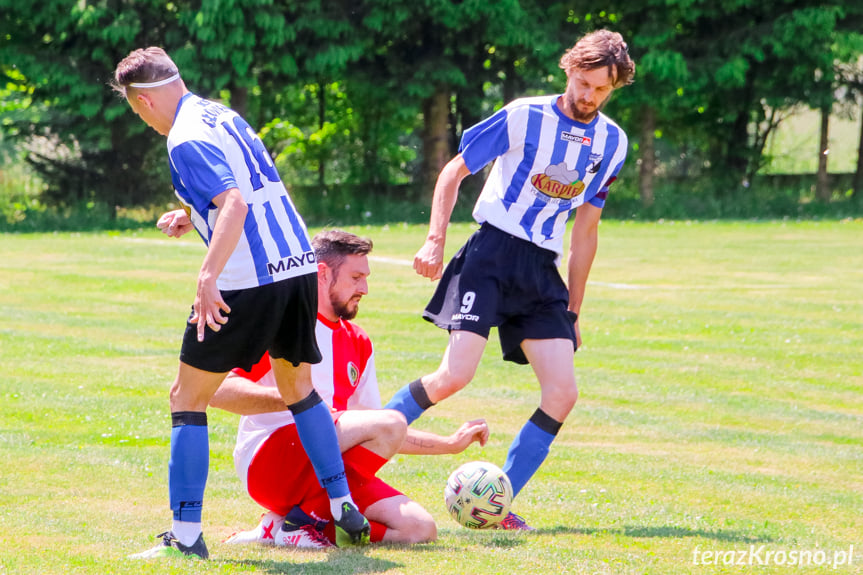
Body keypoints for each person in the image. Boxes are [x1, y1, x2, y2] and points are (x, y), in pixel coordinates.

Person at [112, 47, 370, 560]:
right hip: (297, 267)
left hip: (246, 280)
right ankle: (342, 503)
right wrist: (194, 215)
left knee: (186, 399)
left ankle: (185, 540)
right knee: (299, 391)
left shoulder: (182, 138)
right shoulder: (218, 113)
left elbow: (233, 202)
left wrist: (208, 275)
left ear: (142, 101)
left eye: (135, 109)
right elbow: (247, 187)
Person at [384, 30, 636, 529]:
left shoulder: (613, 142)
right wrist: (434, 239)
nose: (588, 96)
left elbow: (586, 228)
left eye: (601, 90)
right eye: (583, 83)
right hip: (492, 252)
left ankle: (495, 505)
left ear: (614, 88)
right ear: (568, 69)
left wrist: (574, 310)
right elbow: (453, 172)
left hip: (541, 270)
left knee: (562, 394)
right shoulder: (525, 115)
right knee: (455, 376)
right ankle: (356, 444)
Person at [208, 229, 490, 547]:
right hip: (269, 462)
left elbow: (377, 430)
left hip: (327, 470)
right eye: (356, 277)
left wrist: (449, 444)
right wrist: (296, 400)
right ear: (322, 273)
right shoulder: (282, 323)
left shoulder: (358, 342)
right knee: (389, 422)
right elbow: (218, 391)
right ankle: (303, 521)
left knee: (418, 529)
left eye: (365, 278)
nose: (365, 288)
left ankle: (283, 527)